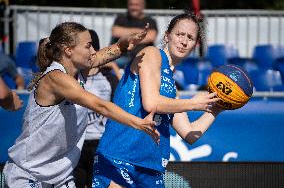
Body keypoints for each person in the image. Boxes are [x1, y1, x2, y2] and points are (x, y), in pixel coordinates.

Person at [3, 22, 159, 188]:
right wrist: (138, 122)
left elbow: (105, 54)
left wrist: (123, 43)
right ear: (68, 50)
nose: (93, 51)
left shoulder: (78, 69)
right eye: (88, 46)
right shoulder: (55, 77)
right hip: (28, 173)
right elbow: (100, 106)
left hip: (60, 177)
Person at [92, 13, 224, 188]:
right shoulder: (151, 53)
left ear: (194, 46)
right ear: (166, 36)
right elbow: (151, 102)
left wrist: (218, 108)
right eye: (179, 34)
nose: (184, 41)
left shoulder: (172, 88)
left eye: (190, 38)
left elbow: (189, 133)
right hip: (120, 157)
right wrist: (193, 103)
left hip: (151, 167)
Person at [73, 29, 121, 188]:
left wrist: (114, 68)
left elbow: (120, 107)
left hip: (100, 145)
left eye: (91, 47)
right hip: (75, 145)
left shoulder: (109, 79)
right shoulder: (71, 78)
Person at [110, 0, 158, 67]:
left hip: (143, 57)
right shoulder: (121, 18)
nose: (133, 7)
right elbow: (116, 32)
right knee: (108, 63)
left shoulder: (150, 21)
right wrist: (141, 33)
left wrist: (126, 34)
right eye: (131, 4)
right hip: (121, 57)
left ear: (143, 6)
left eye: (136, 5)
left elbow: (151, 37)